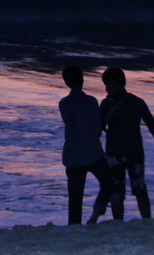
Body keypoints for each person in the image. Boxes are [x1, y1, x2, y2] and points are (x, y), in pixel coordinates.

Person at [94, 66, 154, 222]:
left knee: (121, 191)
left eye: (107, 84)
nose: (106, 88)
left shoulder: (119, 103)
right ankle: (144, 221)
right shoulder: (128, 102)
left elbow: (101, 127)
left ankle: (125, 223)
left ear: (115, 82)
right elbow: (153, 127)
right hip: (129, 152)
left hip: (120, 153)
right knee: (136, 189)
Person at [58, 65, 114, 225]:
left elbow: (72, 123)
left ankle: (74, 228)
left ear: (66, 82)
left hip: (72, 155)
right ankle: (95, 214)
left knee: (75, 199)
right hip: (92, 153)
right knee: (108, 181)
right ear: (82, 80)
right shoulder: (90, 101)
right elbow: (97, 131)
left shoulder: (64, 104)